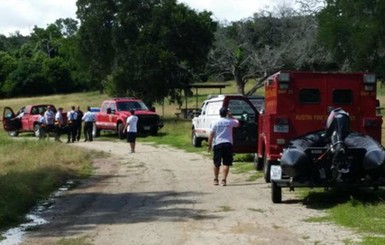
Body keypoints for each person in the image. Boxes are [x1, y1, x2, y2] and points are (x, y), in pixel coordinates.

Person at [207, 107, 240, 186]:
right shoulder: (230, 122)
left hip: (218, 144)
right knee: (226, 163)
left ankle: (215, 179)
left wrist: (209, 145)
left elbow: (211, 134)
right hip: (227, 144)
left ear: (219, 113)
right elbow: (238, 123)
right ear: (226, 113)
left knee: (216, 163)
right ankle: (224, 180)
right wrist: (231, 116)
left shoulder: (215, 122)